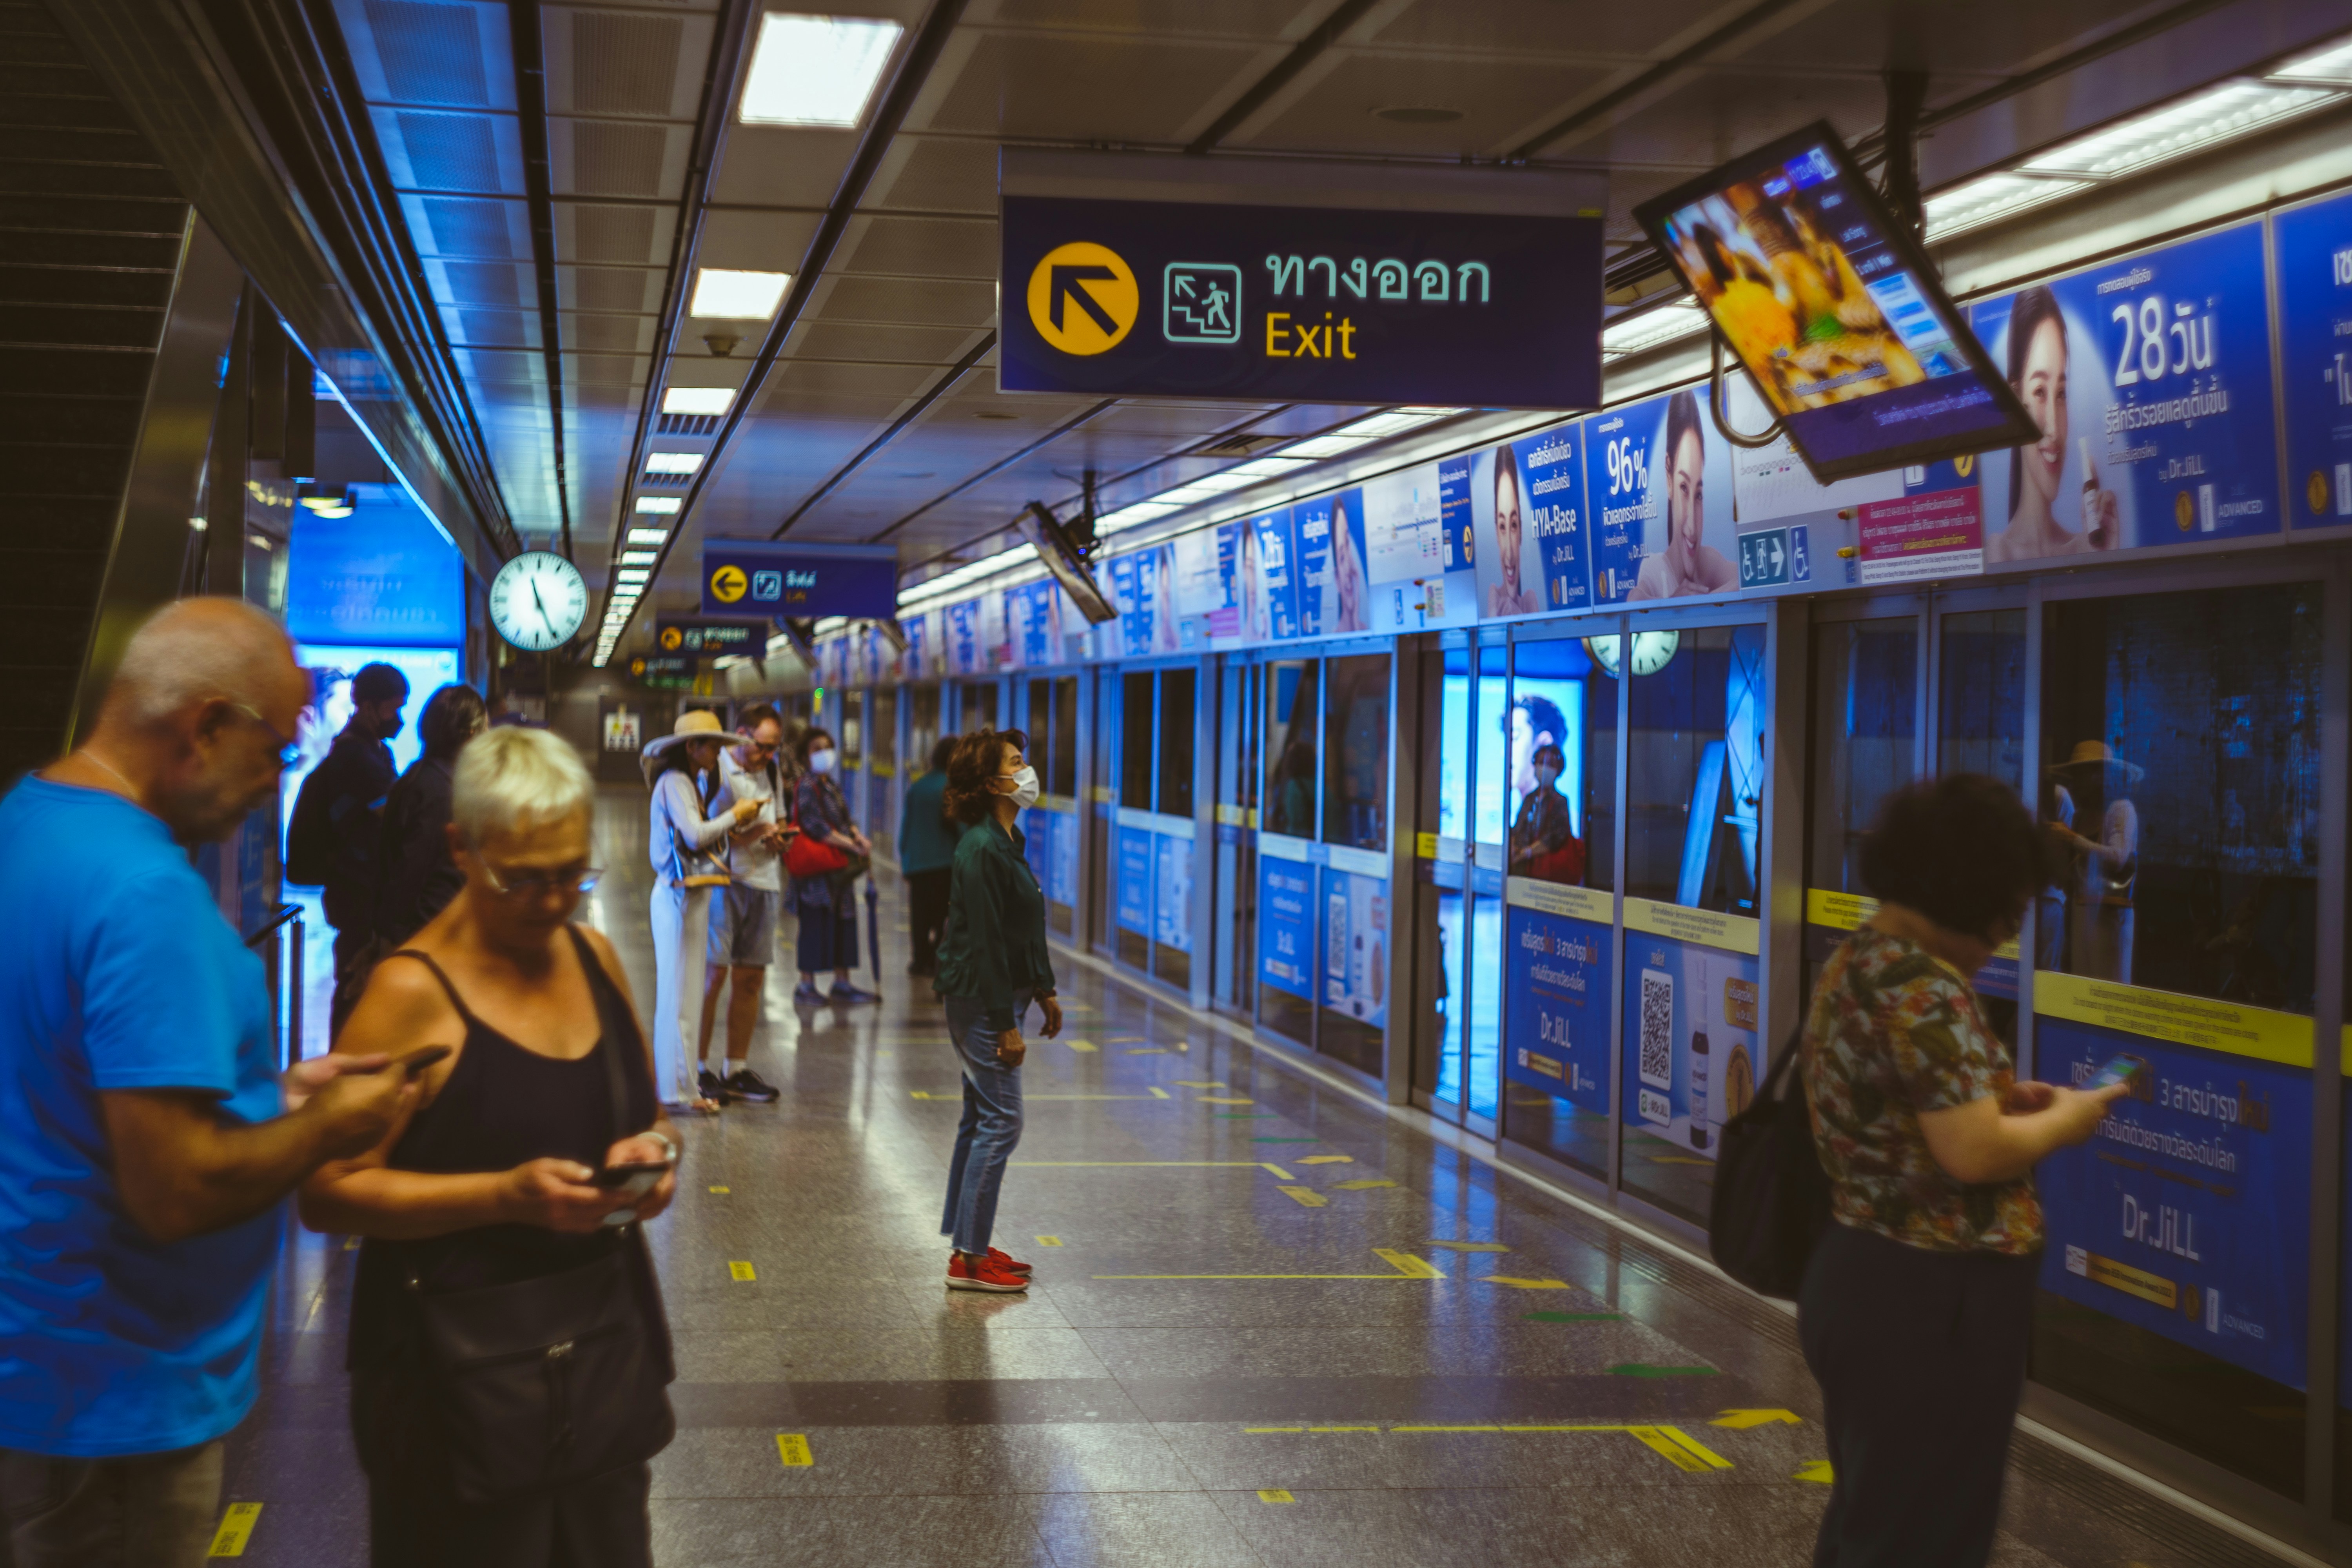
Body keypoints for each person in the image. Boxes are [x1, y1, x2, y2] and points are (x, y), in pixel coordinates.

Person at [0, 597, 413, 1566]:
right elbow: (176, 1185)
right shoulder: (149, 896)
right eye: (277, 747)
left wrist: (276, 1097)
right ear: (207, 725)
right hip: (113, 1407)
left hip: (38, 1368)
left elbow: (81, 1089)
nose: (279, 781)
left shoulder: (30, 824)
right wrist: (328, 1126)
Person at [302, 726, 680, 1567]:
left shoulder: (596, 955)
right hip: (450, 1388)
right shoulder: (409, 992)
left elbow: (651, 1111)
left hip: (599, 1360)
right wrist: (502, 1195)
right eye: (523, 877)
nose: (552, 900)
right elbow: (326, 1188)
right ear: (459, 848)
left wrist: (654, 1153)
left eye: (571, 873)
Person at [1800, 774, 2126, 1568]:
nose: (2002, 941)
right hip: (1931, 1296)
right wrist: (2070, 1117)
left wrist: (2000, 1097)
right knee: (1927, 1533)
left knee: (1876, 1518)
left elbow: (1901, 1108)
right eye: (2004, 915)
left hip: (1866, 1274)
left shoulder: (1861, 958)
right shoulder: (1922, 985)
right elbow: (1970, 1152)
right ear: (1967, 890)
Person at [933, 727, 1062, 1293]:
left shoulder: (1006, 839)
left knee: (978, 1119)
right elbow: (985, 943)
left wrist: (1043, 988)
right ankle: (969, 1259)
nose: (1026, 769)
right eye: (1016, 763)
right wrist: (1006, 1026)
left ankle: (969, 1244)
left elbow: (1021, 928)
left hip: (1002, 992)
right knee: (1002, 1121)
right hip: (980, 1001)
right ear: (992, 783)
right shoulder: (981, 848)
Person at [645, 712, 760, 1111]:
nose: (718, 752)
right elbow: (695, 834)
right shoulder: (676, 782)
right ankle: (677, 1092)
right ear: (691, 747)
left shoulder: (688, 782)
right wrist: (736, 816)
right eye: (711, 745)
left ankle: (683, 1086)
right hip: (676, 898)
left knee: (687, 994)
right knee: (679, 997)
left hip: (688, 898)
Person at [696, 706, 792, 1105]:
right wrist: (750, 831)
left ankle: (735, 1066)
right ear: (742, 735)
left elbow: (781, 818)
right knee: (713, 976)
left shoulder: (771, 772)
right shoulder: (715, 769)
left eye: (774, 749)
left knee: (750, 978)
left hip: (765, 883)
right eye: (762, 746)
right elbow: (700, 834)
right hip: (724, 883)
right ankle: (697, 1066)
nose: (767, 755)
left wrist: (778, 836)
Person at [1988, 285, 2118, 563]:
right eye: (2038, 393)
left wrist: (2107, 562)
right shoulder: (1998, 554)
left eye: (2061, 394)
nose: (2054, 430)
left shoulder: (2085, 549)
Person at [312, 661, 411, 1027]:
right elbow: (395, 816)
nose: (397, 717)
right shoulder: (357, 756)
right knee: (356, 985)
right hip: (356, 892)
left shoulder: (369, 748)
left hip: (361, 889)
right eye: (393, 708)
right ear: (369, 706)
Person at [375, 682, 487, 949]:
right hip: (429, 939)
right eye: (485, 730)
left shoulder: (419, 777)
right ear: (471, 734)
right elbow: (411, 874)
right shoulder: (440, 793)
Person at [1627, 391, 1738, 601]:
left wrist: (1698, 604)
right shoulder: (1656, 569)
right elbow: (1635, 598)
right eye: (1684, 488)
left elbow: (1751, 580)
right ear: (1669, 479)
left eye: (1698, 495)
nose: (1693, 529)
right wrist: (1673, 608)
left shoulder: (1708, 562)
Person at [791, 727, 875, 1005]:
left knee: (843, 922)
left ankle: (842, 982)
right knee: (815, 923)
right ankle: (806, 985)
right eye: (817, 749)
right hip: (817, 873)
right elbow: (816, 827)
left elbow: (843, 818)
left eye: (827, 747)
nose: (824, 753)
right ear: (806, 755)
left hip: (838, 872)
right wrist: (851, 846)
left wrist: (857, 836)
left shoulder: (831, 784)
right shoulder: (806, 785)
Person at [2048, 740, 2140, 984]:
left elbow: (2118, 858)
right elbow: (2071, 874)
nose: (2074, 784)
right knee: (2084, 989)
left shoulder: (2121, 809)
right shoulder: (2080, 817)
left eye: (2080, 776)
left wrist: (2071, 838)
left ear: (2100, 776)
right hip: (2083, 911)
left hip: (2111, 916)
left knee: (2110, 990)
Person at [900, 735, 963, 977]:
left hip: (918, 862)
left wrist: (906, 856)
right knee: (943, 916)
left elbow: (906, 826)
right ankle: (938, 960)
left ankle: (919, 960)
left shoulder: (918, 786)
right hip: (944, 863)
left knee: (920, 914)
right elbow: (960, 828)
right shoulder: (952, 789)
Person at [1509, 743, 1583, 885]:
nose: (1544, 768)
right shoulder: (1530, 798)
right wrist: (1514, 849)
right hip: (1522, 869)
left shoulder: (1560, 801)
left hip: (1547, 873)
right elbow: (1518, 827)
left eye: (1550, 764)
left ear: (1558, 770)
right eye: (1541, 763)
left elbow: (1556, 837)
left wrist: (1527, 853)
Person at [1486, 448, 1539, 616]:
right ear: (1496, 532)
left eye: (1514, 525)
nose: (1509, 555)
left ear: (1522, 530)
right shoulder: (1494, 599)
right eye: (1502, 527)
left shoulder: (1530, 601)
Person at [1331, 499, 1370, 633]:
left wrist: (1355, 619)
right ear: (1337, 579)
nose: (1349, 568)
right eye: (1342, 558)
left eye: (1348, 546)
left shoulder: (1365, 628)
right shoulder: (1333, 637)